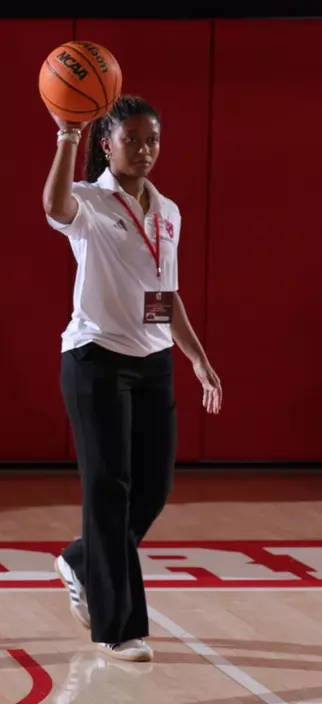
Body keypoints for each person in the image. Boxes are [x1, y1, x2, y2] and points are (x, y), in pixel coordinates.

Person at [44, 96, 221, 663]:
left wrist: (196, 357)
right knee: (109, 488)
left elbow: (163, 298)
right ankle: (120, 628)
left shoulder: (167, 210)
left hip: (154, 359)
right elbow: (53, 203)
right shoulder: (91, 201)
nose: (144, 150)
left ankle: (80, 558)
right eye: (132, 140)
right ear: (107, 144)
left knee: (153, 487)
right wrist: (65, 138)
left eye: (152, 141)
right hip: (96, 358)